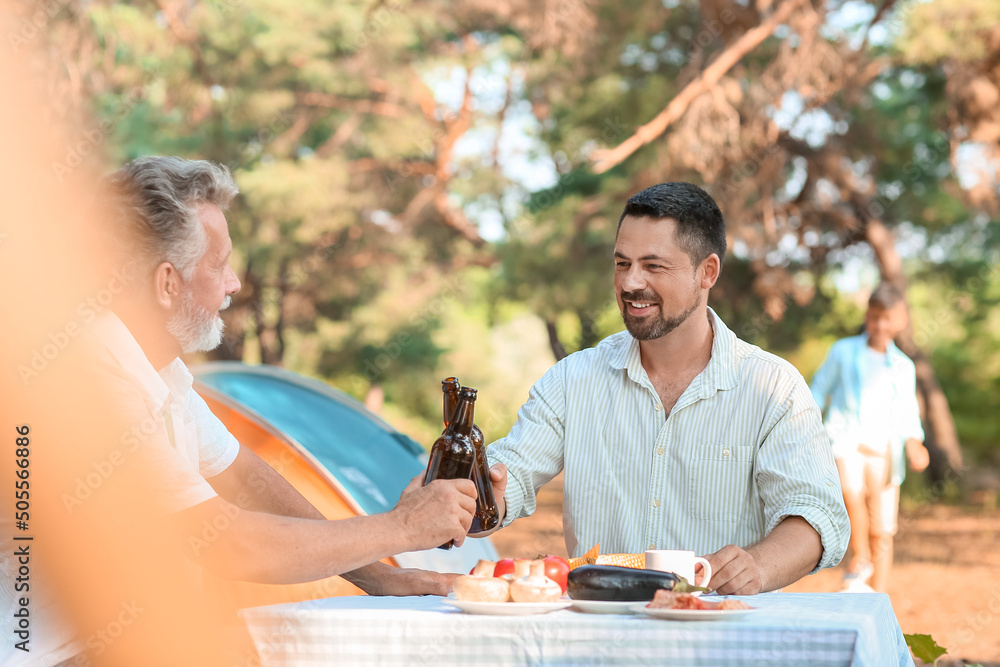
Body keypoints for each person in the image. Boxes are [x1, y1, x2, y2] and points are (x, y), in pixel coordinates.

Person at [2, 156, 476, 666]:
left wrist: (379, 574)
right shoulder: (86, 380)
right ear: (167, 283)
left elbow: (246, 479)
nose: (233, 283)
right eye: (218, 263)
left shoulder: (159, 369)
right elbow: (225, 542)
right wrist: (400, 528)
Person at [480, 182, 850, 595]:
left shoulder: (773, 388)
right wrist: (473, 494)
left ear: (707, 272)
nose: (630, 283)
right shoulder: (571, 381)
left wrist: (758, 566)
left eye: (654, 266)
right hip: (600, 637)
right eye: (622, 263)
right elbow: (507, 474)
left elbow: (817, 516)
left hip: (719, 637)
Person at [810, 282, 928, 592]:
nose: (880, 325)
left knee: (882, 527)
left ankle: (879, 594)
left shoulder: (903, 366)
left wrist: (915, 442)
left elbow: (907, 411)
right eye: (875, 317)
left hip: (885, 448)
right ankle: (859, 558)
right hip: (846, 438)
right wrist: (806, 419)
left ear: (900, 320)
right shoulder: (843, 351)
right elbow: (819, 387)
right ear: (868, 316)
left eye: (887, 318)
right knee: (850, 492)